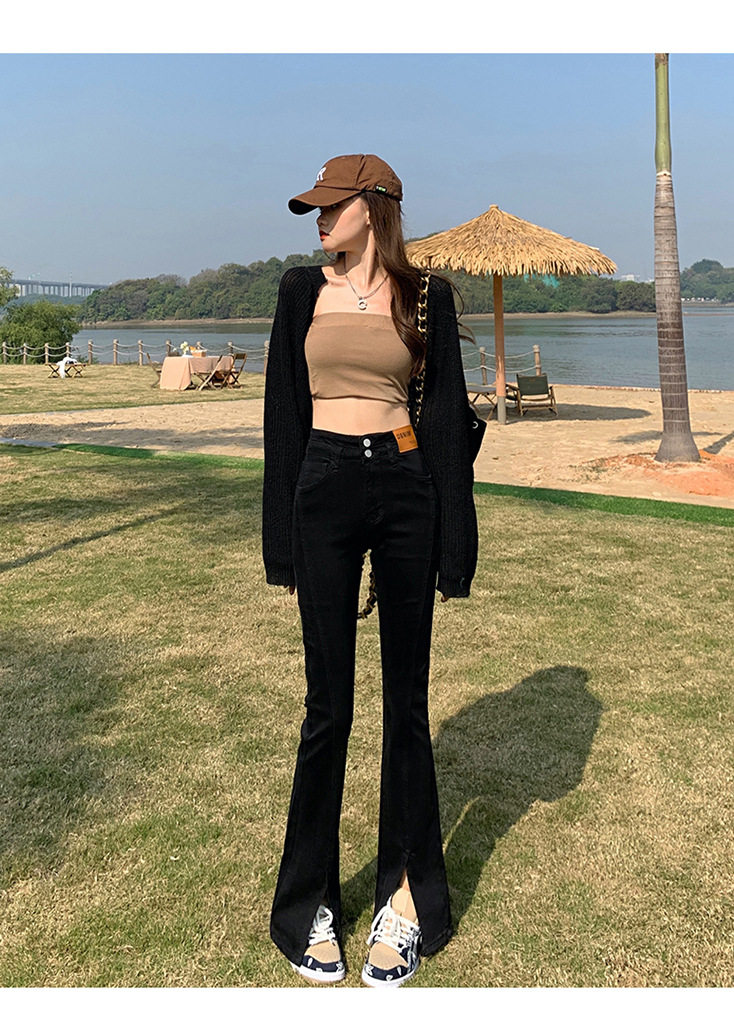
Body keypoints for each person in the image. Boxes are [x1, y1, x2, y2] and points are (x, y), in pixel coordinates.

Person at [262, 153, 477, 987]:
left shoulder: (427, 295)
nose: (320, 218)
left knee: (406, 708)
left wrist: (455, 544)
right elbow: (283, 413)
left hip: (404, 479)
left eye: (333, 205)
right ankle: (308, 903)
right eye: (316, 208)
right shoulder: (299, 291)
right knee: (328, 706)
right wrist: (280, 540)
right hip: (322, 480)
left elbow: (448, 420)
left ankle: (407, 901)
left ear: (375, 207)